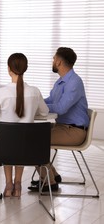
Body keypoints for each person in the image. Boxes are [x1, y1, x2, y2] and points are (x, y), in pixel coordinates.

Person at [0, 53, 49, 198]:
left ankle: (8, 185)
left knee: (10, 142)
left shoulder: (1, 93)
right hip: (28, 151)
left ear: (8, 69)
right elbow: (45, 113)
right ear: (26, 68)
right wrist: (31, 111)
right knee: (21, 143)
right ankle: (18, 184)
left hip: (4, 151)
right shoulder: (35, 91)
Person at [28, 47, 89, 192]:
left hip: (74, 131)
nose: (53, 61)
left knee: (32, 142)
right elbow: (51, 100)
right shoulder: (61, 81)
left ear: (59, 62)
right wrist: (36, 103)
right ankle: (53, 175)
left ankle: (49, 182)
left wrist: (38, 107)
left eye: (54, 58)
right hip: (62, 127)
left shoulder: (74, 82)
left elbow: (61, 108)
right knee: (30, 133)